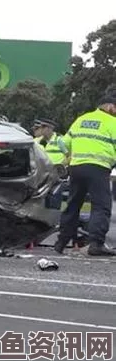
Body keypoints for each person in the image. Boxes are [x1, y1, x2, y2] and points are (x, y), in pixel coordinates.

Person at [54, 92, 116, 256]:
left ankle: (61, 242)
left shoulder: (81, 119)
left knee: (73, 204)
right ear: (110, 107)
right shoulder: (112, 122)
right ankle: (96, 244)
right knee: (101, 206)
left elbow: (62, 142)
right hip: (98, 168)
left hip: (77, 168)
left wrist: (69, 155)